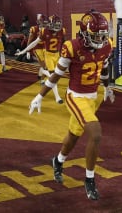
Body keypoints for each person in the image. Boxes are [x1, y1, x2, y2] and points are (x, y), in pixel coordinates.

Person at [29, 11, 114, 201]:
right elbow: (57, 74)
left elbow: (105, 66)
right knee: (96, 133)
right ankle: (89, 179)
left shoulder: (106, 46)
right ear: (84, 33)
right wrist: (40, 95)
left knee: (73, 136)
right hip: (76, 96)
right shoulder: (72, 47)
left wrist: (107, 87)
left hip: (93, 97)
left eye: (102, 35)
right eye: (96, 35)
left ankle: (58, 161)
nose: (100, 39)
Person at [16, 14, 65, 103]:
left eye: (59, 25)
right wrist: (25, 51)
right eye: (56, 24)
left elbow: (64, 42)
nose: (58, 27)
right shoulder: (44, 31)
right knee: (53, 76)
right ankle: (57, 97)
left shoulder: (62, 31)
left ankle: (42, 72)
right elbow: (34, 42)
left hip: (57, 54)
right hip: (48, 54)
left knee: (57, 74)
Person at [25, 13, 49, 82]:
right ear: (38, 21)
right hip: (37, 48)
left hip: (45, 47)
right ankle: (42, 80)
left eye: (44, 20)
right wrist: (28, 51)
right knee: (44, 65)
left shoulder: (47, 29)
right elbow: (30, 40)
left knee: (46, 64)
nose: (44, 22)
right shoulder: (34, 29)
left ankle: (39, 75)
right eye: (42, 20)